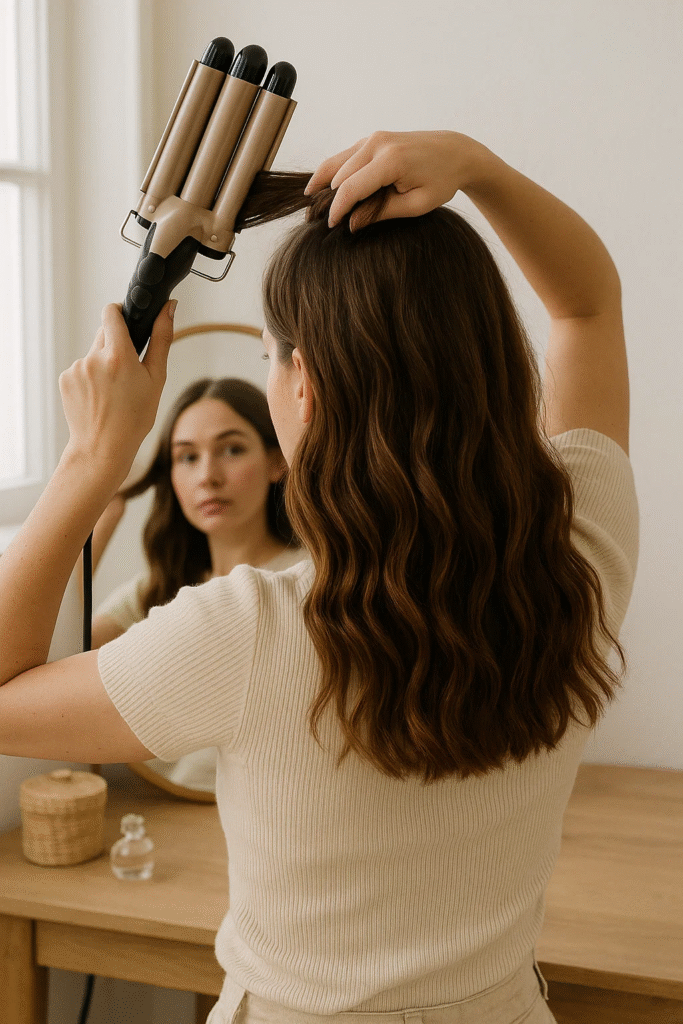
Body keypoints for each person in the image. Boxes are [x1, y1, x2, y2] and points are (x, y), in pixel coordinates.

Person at [0, 131, 638, 1024]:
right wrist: (476, 166)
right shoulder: (581, 552)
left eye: (268, 355)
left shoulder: (243, 633)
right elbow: (586, 307)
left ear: (303, 385)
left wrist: (90, 460)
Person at [85, 376, 303, 791]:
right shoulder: (153, 592)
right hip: (162, 811)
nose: (207, 476)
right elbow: (59, 654)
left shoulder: (309, 581)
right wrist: (106, 503)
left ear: (277, 462)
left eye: (232, 450)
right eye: (187, 457)